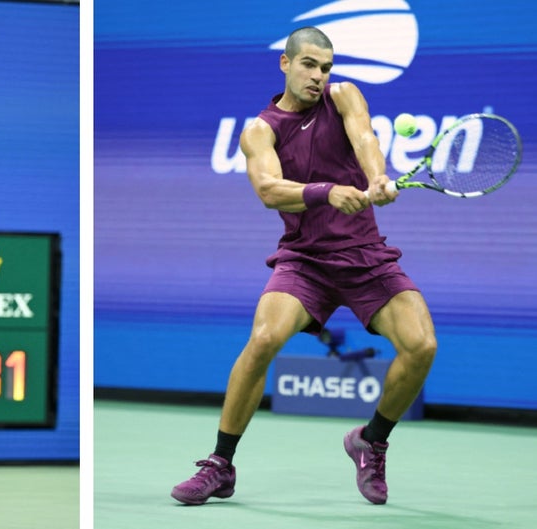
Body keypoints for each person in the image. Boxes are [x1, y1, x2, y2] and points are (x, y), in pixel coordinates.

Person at [170, 26, 437, 507]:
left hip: (365, 256)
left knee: (421, 346)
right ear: (286, 63)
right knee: (263, 339)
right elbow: (269, 190)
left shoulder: (343, 96)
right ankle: (220, 465)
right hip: (305, 261)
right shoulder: (260, 130)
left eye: (326, 67)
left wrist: (378, 177)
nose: (318, 76)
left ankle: (370, 441)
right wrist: (326, 192)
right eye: (309, 65)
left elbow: (365, 138)